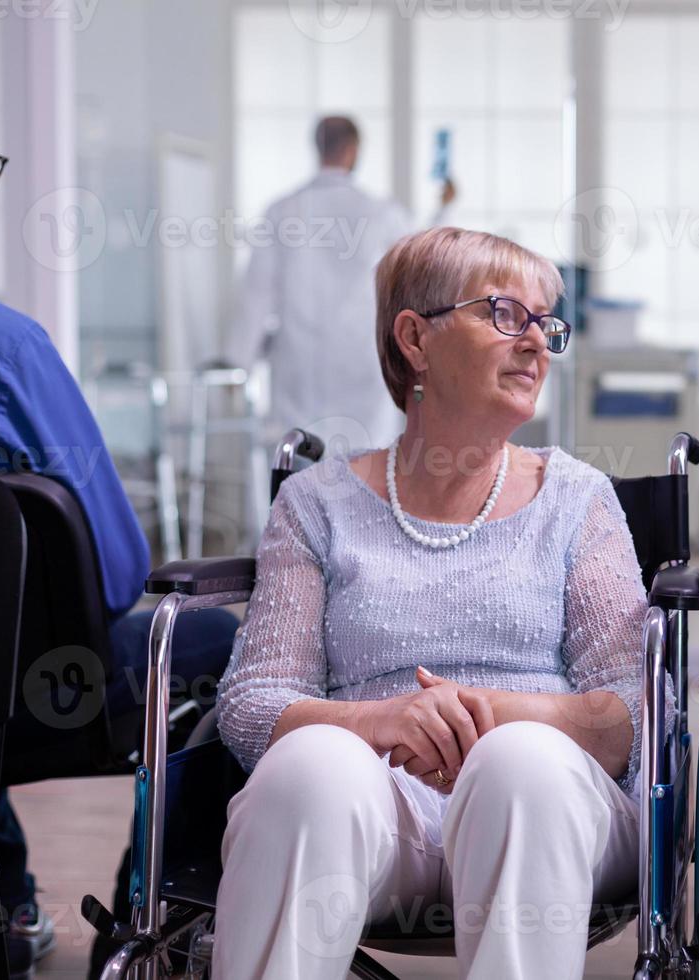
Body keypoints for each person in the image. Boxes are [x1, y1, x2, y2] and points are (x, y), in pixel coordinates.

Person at [213, 227, 652, 979]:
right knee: (311, 763)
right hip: (378, 813)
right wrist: (378, 722)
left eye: (546, 322)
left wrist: (488, 714)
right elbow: (253, 706)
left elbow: (633, 715)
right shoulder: (315, 505)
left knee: (520, 760)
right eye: (505, 315)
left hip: (550, 809)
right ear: (414, 337)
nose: (537, 344)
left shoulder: (579, 500)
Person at [0, 63, 238, 978]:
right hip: (37, 700)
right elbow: (113, 567)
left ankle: (13, 910)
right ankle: (145, 924)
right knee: (224, 646)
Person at [227, 115, 457, 453]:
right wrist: (446, 208)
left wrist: (238, 362)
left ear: (317, 147)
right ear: (353, 150)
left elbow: (257, 294)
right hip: (363, 361)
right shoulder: (379, 212)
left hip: (299, 365)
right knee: (367, 468)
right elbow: (425, 258)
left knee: (300, 466)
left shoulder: (281, 211)